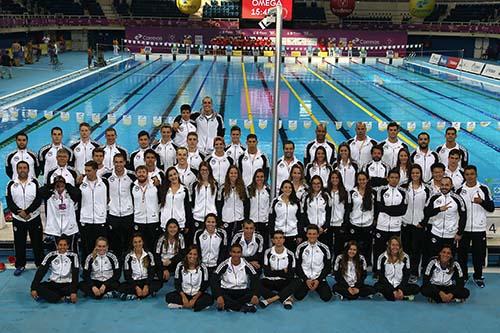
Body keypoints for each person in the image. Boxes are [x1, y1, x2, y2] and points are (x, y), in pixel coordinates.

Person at [457, 165, 495, 288]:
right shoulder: (459, 190)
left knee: (478, 255)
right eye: (467, 174)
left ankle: (478, 276)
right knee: (462, 254)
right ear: (464, 175)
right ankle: (463, 276)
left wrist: (482, 202)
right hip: (464, 229)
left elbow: (491, 208)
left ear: (476, 174)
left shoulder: (483, 189)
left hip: (479, 228)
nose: (469, 176)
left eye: (472, 174)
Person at [6, 161, 43, 276]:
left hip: (33, 217)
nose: (22, 170)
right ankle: (20, 265)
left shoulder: (35, 182)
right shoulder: (11, 183)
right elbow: (9, 201)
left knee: (37, 242)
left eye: (25, 168)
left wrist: (27, 211)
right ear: (17, 170)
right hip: (18, 218)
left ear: (28, 169)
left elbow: (38, 199)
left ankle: (40, 263)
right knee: (19, 243)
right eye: (20, 168)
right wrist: (19, 212)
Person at [373, 169, 407, 275]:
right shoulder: (381, 190)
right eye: (391, 177)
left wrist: (388, 210)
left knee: (394, 250)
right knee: (379, 249)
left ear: (399, 179)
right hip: (381, 225)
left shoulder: (403, 192)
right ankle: (377, 271)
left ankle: (393, 270)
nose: (394, 180)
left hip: (395, 227)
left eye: (396, 178)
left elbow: (402, 210)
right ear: (388, 178)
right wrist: (394, 210)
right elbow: (379, 207)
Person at [401, 164, 431, 283]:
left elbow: (428, 209)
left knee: (416, 250)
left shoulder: (427, 189)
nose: (415, 175)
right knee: (406, 250)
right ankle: (405, 271)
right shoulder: (404, 187)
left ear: (421, 174)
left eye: (417, 173)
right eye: (413, 173)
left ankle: (414, 272)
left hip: (419, 224)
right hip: (406, 223)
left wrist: (423, 223)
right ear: (410, 174)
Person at [423, 177, 466, 258]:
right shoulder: (434, 197)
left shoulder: (457, 199)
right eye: (442, 185)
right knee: (433, 258)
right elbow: (426, 212)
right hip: (436, 233)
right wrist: (439, 209)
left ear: (451, 185)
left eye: (447, 185)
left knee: (450, 259)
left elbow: (463, 216)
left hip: (451, 235)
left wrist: (460, 233)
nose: (444, 187)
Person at [102, 153, 136, 259]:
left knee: (128, 241)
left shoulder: (132, 176)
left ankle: (127, 261)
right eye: (116, 162)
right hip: (113, 213)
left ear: (125, 162)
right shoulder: (106, 176)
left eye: (121, 162)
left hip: (128, 213)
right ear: (113, 163)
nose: (118, 164)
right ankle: (116, 261)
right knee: (114, 241)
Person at [212, 243, 260, 313]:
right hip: (227, 291)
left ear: (241, 253)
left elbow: (255, 279)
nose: (236, 255)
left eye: (238, 252)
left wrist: (255, 295)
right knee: (218, 295)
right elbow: (213, 279)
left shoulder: (247, 265)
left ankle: (228, 306)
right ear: (230, 253)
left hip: (242, 291)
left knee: (254, 293)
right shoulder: (224, 264)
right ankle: (243, 306)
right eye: (234, 252)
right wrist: (219, 296)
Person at [31, 236, 79, 303]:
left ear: (68, 246)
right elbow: (41, 271)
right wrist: (33, 288)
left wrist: (74, 292)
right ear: (57, 245)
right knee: (38, 287)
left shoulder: (73, 256)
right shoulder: (51, 255)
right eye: (60, 245)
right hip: (53, 284)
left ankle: (55, 296)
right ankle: (62, 297)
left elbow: (75, 274)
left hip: (67, 284)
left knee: (77, 286)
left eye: (65, 245)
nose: (62, 247)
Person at [259, 230, 299, 310]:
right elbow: (267, 273)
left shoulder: (290, 254)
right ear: (272, 240)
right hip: (269, 281)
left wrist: (274, 271)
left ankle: (270, 300)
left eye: (281, 238)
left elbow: (291, 274)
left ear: (284, 239)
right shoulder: (268, 252)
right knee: (257, 283)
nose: (278, 240)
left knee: (297, 281)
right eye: (276, 238)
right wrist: (283, 271)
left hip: (284, 282)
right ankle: (285, 298)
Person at [166, 246, 213, 311]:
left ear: (198, 256)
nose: (192, 256)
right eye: (190, 254)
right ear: (187, 255)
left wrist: (195, 298)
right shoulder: (180, 266)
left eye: (195, 254)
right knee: (168, 297)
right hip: (184, 293)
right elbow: (177, 283)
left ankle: (183, 305)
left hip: (197, 295)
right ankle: (192, 305)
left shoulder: (203, 267)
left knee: (210, 299)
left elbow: (204, 285)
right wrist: (183, 297)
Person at [40, 176, 80, 252]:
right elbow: (40, 191)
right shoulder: (50, 195)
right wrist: (52, 185)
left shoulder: (70, 195)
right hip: (55, 227)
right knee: (56, 249)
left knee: (72, 249)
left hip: (70, 228)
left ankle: (74, 263)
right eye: (57, 186)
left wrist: (67, 185)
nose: (60, 188)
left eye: (62, 186)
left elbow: (78, 193)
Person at [78, 161, 109, 259]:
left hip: (100, 220)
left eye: (89, 170)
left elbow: (108, 198)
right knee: (86, 247)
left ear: (96, 170)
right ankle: (87, 269)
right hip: (85, 220)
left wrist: (102, 211)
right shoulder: (80, 183)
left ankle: (101, 267)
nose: (87, 173)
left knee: (101, 247)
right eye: (86, 170)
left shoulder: (104, 182)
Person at [294, 224, 332, 302]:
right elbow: (297, 266)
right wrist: (306, 279)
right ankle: (308, 285)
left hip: (319, 278)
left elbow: (328, 267)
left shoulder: (325, 248)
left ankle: (316, 286)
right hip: (305, 278)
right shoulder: (300, 247)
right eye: (310, 234)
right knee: (298, 296)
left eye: (314, 234)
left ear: (318, 235)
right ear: (306, 234)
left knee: (327, 297)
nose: (312, 236)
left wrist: (318, 280)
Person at [374, 236, 420, 301]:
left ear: (400, 246)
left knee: (416, 288)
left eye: (397, 245)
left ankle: (391, 294)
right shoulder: (382, 257)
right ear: (389, 245)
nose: (395, 247)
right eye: (393, 245)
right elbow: (381, 276)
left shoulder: (405, 257)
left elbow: (406, 275)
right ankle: (402, 295)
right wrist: (392, 290)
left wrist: (401, 288)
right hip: (386, 284)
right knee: (377, 286)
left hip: (400, 285)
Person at [345, 172, 376, 266]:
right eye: (360, 179)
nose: (362, 181)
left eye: (364, 179)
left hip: (368, 225)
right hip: (354, 224)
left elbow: (376, 208)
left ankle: (365, 267)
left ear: (367, 180)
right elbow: (348, 208)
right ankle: (352, 266)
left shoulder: (373, 192)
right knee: (354, 247)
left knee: (367, 247)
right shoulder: (352, 193)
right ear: (357, 180)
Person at [120, 233, 162, 300]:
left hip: (146, 281)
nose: (138, 244)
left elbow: (152, 272)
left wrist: (146, 285)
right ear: (132, 244)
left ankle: (136, 295)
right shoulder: (127, 256)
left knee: (159, 283)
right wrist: (136, 287)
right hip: (134, 282)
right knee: (121, 286)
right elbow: (127, 275)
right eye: (135, 242)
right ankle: (147, 294)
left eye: (139, 241)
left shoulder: (149, 254)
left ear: (143, 242)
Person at [130, 165, 161, 252]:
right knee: (140, 246)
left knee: (153, 245)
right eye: (139, 172)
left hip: (153, 220)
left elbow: (161, 199)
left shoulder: (155, 184)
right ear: (136, 174)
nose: (141, 174)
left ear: (147, 174)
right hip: (139, 220)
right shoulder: (132, 186)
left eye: (143, 172)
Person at [269, 180, 303, 252]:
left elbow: (300, 219)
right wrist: (272, 235)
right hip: (278, 234)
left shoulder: (297, 202)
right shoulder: (275, 201)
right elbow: (271, 219)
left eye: (290, 187)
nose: (288, 189)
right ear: (282, 189)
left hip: (293, 234)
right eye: (285, 187)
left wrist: (300, 235)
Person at [160, 167, 192, 241]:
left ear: (178, 174)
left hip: (180, 222)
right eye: (170, 175)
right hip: (166, 222)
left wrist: (187, 224)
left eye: (174, 174)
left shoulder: (184, 189)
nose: (173, 177)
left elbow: (187, 207)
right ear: (168, 178)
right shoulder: (164, 189)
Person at [219, 165, 249, 239]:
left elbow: (247, 205)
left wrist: (245, 220)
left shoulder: (243, 188)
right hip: (226, 219)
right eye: (231, 173)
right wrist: (220, 221)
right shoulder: (222, 188)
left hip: (239, 219)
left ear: (238, 175)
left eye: (235, 173)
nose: (233, 175)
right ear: (228, 174)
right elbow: (219, 205)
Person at [303, 176, 332, 248]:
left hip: (323, 231)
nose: (316, 185)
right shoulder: (306, 196)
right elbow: (303, 213)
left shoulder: (326, 196)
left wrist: (324, 227)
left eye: (318, 183)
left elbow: (329, 213)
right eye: (314, 183)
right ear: (311, 185)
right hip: (310, 232)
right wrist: (309, 227)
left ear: (321, 184)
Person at [327, 170, 348, 259]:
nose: (335, 179)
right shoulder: (326, 191)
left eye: (336, 178)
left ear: (340, 179)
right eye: (333, 178)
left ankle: (337, 266)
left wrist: (344, 224)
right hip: (328, 224)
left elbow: (347, 209)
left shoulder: (345, 192)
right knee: (328, 247)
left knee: (338, 248)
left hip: (339, 224)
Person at [191, 161, 218, 230]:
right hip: (198, 217)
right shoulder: (195, 184)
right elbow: (192, 200)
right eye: (202, 170)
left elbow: (217, 201)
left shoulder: (215, 184)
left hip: (211, 218)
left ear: (209, 171)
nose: (204, 172)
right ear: (199, 171)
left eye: (206, 170)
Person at [246, 169, 271, 243]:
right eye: (257, 176)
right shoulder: (249, 189)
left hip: (264, 222)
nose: (259, 178)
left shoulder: (268, 190)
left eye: (261, 176)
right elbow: (246, 206)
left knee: (264, 243)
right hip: (252, 222)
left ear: (265, 178)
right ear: (254, 178)